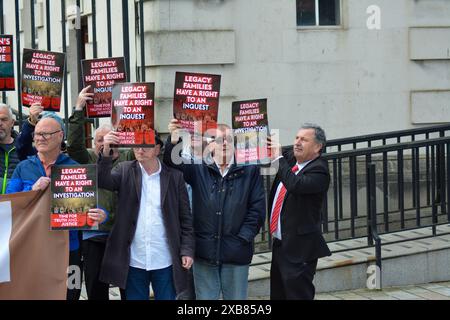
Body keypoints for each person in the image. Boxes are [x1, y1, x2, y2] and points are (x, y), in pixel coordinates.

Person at [6, 112, 106, 300]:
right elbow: (10, 205)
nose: (39, 138)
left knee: (70, 293)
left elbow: (92, 204)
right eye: (37, 134)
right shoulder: (23, 167)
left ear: (60, 136)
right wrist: (32, 191)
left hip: (69, 250)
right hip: (34, 248)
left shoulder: (75, 167)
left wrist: (102, 215)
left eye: (46, 134)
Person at [165, 119, 266, 300]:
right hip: (205, 253)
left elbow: (257, 210)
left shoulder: (249, 171)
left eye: (228, 139)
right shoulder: (198, 169)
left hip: (236, 253)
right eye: (218, 140)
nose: (224, 143)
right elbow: (172, 163)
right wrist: (174, 141)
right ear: (210, 146)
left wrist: (243, 238)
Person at [97, 132, 195, 300]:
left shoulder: (175, 177)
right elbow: (103, 181)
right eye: (136, 145)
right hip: (135, 258)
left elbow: (185, 218)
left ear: (157, 149)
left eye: (146, 145)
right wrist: (106, 150)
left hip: (164, 258)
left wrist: (187, 250)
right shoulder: (125, 169)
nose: (139, 149)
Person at [66, 86, 134, 300]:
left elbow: (144, 140)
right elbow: (74, 145)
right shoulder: (88, 159)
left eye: (109, 140)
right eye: (99, 141)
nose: (104, 145)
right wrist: (78, 109)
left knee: (129, 287)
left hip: (123, 234)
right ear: (93, 143)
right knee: (95, 288)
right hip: (94, 234)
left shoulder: (129, 156)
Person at [267, 123, 332, 300]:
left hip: (299, 250)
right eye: (296, 138)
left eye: (304, 139)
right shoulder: (291, 160)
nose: (297, 142)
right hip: (280, 245)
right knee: (278, 295)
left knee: (297, 296)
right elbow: (271, 151)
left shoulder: (319, 170)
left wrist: (278, 158)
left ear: (318, 147)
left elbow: (295, 185)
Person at [0, 104, 19, 194]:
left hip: (16, 205)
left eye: (4, 119)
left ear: (12, 122)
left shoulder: (23, 148)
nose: (0, 123)